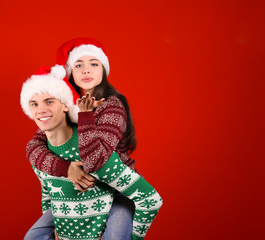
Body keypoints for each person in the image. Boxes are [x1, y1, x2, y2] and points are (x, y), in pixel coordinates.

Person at [21, 65, 162, 240]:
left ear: (65, 105)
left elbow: (95, 158)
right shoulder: (41, 148)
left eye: (49, 101)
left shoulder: (111, 107)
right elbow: (47, 189)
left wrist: (134, 237)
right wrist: (65, 169)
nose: (40, 110)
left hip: (116, 185)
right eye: (33, 104)